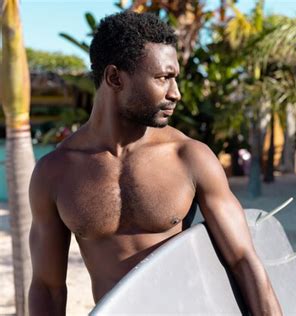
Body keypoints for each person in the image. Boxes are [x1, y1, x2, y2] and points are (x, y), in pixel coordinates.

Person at [28, 11, 282, 316]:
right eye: (163, 78)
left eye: (174, 78)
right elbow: (47, 286)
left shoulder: (189, 157)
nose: (175, 93)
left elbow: (244, 260)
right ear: (114, 78)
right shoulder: (55, 172)